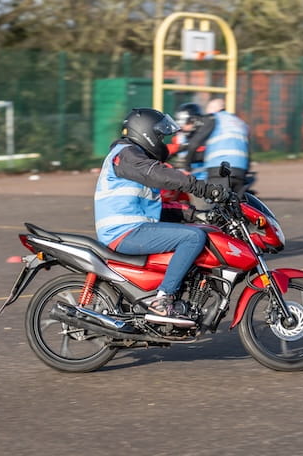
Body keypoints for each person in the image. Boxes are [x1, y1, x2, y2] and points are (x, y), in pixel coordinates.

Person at [94, 107, 229, 323]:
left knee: (198, 231)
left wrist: (199, 215)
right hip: (124, 232)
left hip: (136, 228)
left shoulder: (132, 157)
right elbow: (160, 175)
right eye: (160, 136)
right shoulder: (127, 155)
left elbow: (156, 210)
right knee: (192, 238)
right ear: (145, 132)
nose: (163, 141)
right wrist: (202, 188)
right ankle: (163, 299)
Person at [181, 98, 251, 197]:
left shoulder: (213, 118)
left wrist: (187, 166)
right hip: (240, 169)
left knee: (218, 205)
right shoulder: (240, 122)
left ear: (212, 109)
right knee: (236, 205)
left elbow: (195, 143)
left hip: (219, 168)